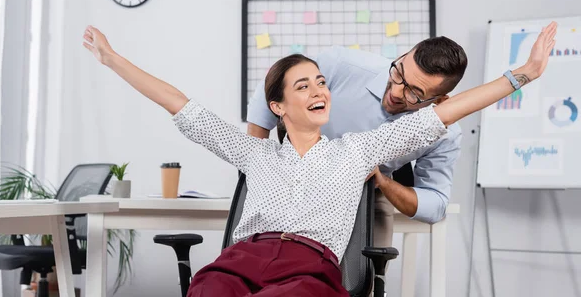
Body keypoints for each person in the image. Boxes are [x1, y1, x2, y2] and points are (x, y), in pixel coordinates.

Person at [82, 22, 556, 297]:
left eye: (321, 83)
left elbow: (448, 112)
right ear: (278, 108)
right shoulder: (253, 151)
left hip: (309, 267)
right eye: (303, 85)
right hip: (243, 256)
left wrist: (524, 76)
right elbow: (178, 103)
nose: (319, 89)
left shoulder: (361, 150)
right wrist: (111, 59)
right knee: (208, 291)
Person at [247, 37, 467, 252]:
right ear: (401, 57)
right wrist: (257, 165)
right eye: (399, 73)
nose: (396, 92)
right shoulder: (341, 65)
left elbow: (435, 204)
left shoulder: (444, 133)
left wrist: (383, 183)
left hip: (367, 196)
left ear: (439, 102)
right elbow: (270, 90)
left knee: (365, 280)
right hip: (294, 183)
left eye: (414, 93)